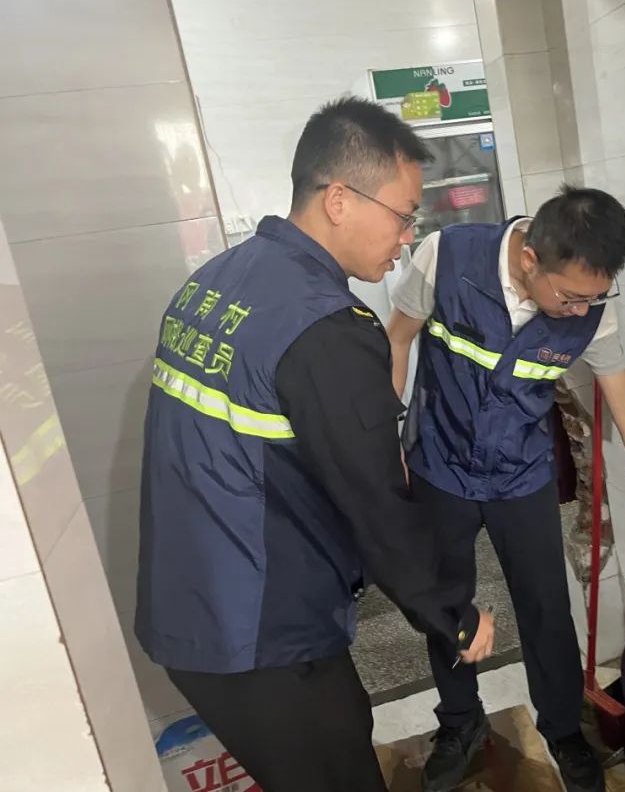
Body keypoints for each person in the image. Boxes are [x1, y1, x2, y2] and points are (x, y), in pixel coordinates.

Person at [135, 97, 495, 792]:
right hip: (260, 627)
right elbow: (376, 502)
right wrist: (452, 615)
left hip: (191, 602)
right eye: (403, 215)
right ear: (339, 199)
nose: (406, 239)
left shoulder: (215, 281)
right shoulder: (327, 329)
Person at [386, 185, 625, 792]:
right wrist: (389, 447)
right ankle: (460, 722)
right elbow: (397, 339)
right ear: (530, 259)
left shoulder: (592, 308)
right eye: (569, 296)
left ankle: (563, 730)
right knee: (446, 605)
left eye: (595, 296)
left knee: (546, 610)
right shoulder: (446, 256)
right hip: (440, 465)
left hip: (521, 473)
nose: (579, 310)